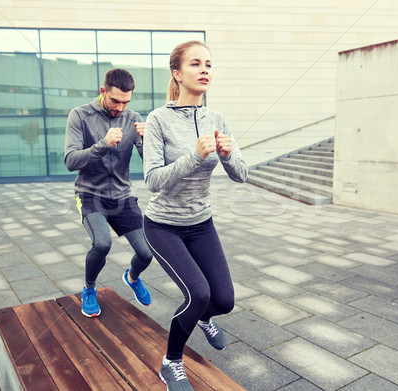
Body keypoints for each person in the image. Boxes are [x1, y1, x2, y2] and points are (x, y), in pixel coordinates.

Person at [142, 41, 248, 390]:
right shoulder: (158, 119)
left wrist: (229, 155)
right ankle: (171, 362)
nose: (205, 70)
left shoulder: (217, 119)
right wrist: (193, 156)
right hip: (163, 226)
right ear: (177, 73)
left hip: (201, 224)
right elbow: (153, 180)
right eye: (196, 64)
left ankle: (204, 319)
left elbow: (241, 174)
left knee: (224, 301)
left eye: (209, 64)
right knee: (198, 294)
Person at [64, 68, 153, 317]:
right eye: (115, 101)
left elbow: (150, 163)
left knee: (147, 251)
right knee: (102, 244)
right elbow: (71, 160)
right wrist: (104, 144)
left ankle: (132, 278)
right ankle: (89, 288)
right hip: (91, 195)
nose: (120, 108)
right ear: (103, 91)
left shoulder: (133, 118)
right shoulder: (80, 116)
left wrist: (148, 142)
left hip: (123, 196)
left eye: (126, 102)